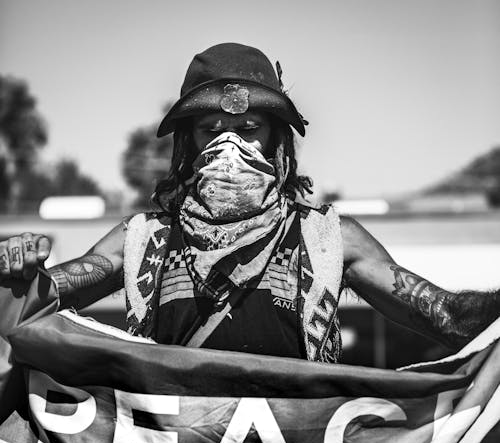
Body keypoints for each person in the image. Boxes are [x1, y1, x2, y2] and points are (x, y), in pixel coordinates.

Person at [0, 43, 499, 363]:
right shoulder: (142, 239)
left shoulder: (327, 238)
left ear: (279, 143)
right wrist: (18, 269)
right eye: (211, 131)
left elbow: (448, 317)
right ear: (187, 145)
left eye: (249, 130)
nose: (230, 147)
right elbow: (36, 301)